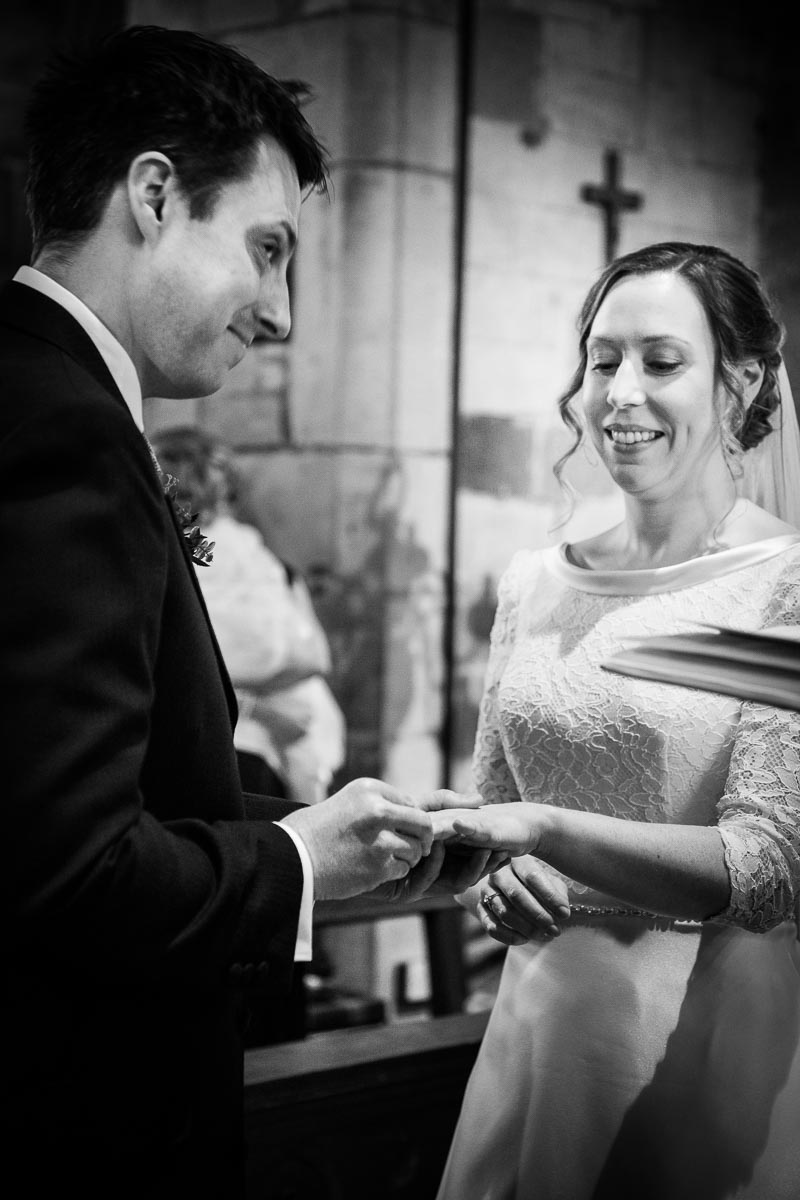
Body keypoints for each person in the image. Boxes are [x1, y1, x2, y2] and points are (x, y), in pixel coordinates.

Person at [0, 26, 492, 1198]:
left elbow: (79, 792)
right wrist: (296, 859)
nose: (279, 314)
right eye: (266, 250)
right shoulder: (63, 430)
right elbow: (72, 875)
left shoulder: (33, 387)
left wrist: (341, 845)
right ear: (154, 196)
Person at [432, 242, 800, 1200]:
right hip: (540, 1020)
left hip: (693, 1032)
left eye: (661, 361)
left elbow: (766, 865)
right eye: (602, 360)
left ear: (740, 383)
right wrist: (498, 875)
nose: (619, 393)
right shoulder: (534, 580)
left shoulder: (782, 586)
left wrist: (546, 832)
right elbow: (495, 807)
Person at [150, 425, 346, 806]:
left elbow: (286, 652)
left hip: (231, 746)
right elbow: (307, 655)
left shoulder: (204, 554)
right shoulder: (252, 554)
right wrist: (260, 708)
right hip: (258, 740)